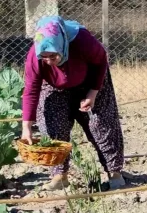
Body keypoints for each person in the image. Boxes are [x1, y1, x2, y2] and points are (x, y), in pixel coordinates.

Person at [21, 16, 126, 191]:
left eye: (53, 55)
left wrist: (92, 93)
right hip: (54, 85)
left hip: (91, 79)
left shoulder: (82, 41)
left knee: (100, 124)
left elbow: (101, 61)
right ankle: (59, 176)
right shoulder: (35, 56)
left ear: (61, 46)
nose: (48, 60)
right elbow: (31, 90)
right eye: (44, 57)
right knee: (53, 123)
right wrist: (27, 127)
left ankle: (115, 173)